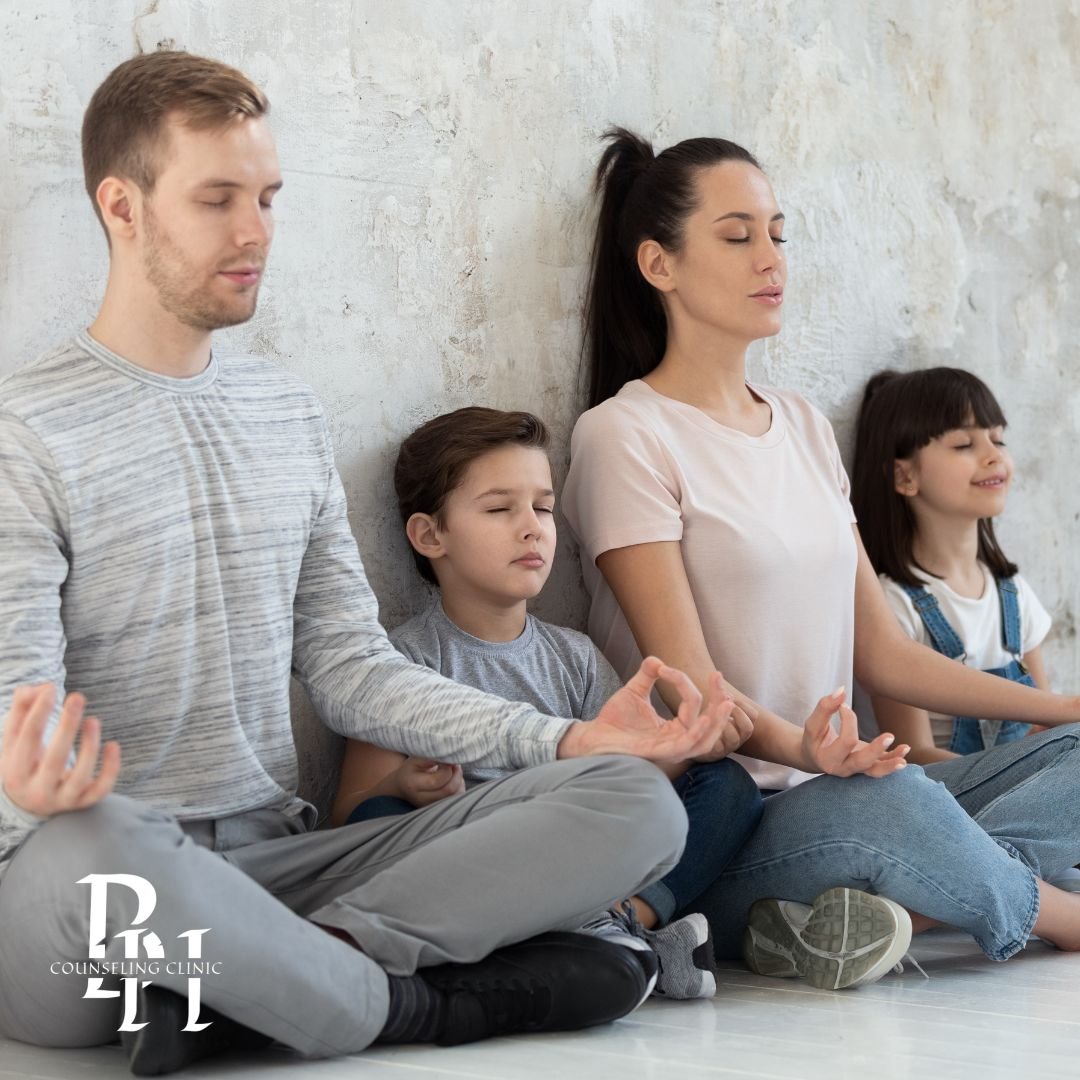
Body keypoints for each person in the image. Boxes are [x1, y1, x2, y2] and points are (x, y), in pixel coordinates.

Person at [0, 54, 742, 1076]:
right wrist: (27, 790)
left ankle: (279, 987)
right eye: (217, 199)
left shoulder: (286, 416)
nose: (256, 231)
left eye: (266, 197)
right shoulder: (24, 431)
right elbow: (16, 710)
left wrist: (564, 736)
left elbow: (351, 668)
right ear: (121, 207)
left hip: (281, 868)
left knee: (632, 799)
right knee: (98, 848)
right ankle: (412, 1008)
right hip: (87, 900)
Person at [560, 126, 1080, 990]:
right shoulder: (625, 435)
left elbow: (885, 656)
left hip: (844, 789)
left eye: (778, 233)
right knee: (899, 800)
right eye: (737, 237)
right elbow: (692, 696)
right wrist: (813, 753)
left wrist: (1061, 705)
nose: (771, 258)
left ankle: (898, 904)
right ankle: (1052, 911)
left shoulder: (799, 423)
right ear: (660, 266)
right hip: (732, 823)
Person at [333, 405, 767, 1000]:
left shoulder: (575, 656)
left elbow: (631, 784)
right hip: (477, 865)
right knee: (375, 824)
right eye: (498, 508)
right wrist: (410, 787)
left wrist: (684, 746)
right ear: (430, 535)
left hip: (580, 861)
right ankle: (588, 935)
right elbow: (351, 821)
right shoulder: (401, 663)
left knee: (726, 787)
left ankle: (619, 920)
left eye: (541, 506)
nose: (532, 526)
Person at [851, 367, 1050, 763]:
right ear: (904, 475)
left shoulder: (1013, 593)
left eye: (998, 439)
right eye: (964, 444)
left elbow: (1045, 721)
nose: (994, 455)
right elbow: (913, 755)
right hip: (951, 803)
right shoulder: (891, 607)